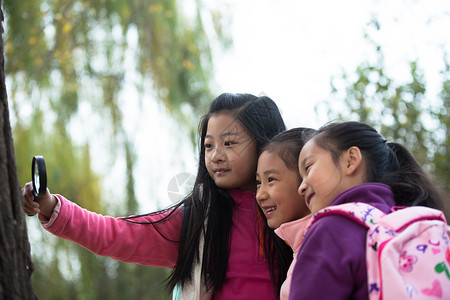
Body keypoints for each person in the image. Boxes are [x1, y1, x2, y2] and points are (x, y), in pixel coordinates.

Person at [22, 93, 293, 300]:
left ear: (264, 141)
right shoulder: (198, 220)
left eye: (229, 143)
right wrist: (53, 208)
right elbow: (118, 235)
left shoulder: (295, 209)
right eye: (209, 145)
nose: (215, 155)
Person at [288, 121, 449, 300]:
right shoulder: (402, 223)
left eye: (308, 167)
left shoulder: (331, 228)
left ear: (351, 160)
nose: (301, 188)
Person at [255, 127, 314, 300]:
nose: (260, 195)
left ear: (306, 179)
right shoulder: (301, 246)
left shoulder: (324, 245)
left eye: (271, 179)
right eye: (258, 182)